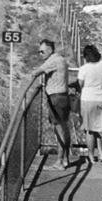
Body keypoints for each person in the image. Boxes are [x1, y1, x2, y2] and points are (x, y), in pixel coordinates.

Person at [31, 38, 71, 169]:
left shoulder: (53, 61)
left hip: (56, 98)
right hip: (62, 97)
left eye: (42, 51)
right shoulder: (61, 59)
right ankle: (65, 159)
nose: (40, 54)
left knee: (59, 129)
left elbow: (36, 72)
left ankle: (59, 162)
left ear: (49, 50)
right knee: (64, 128)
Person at [78, 44, 102, 163]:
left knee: (88, 130)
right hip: (100, 97)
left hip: (88, 99)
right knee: (96, 128)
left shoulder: (84, 69)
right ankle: (101, 153)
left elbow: (80, 84)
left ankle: (91, 156)